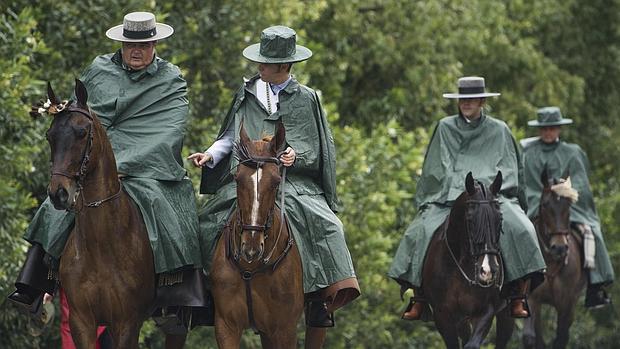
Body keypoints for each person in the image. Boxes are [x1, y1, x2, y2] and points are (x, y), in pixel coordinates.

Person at [7, 11, 211, 332]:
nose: (137, 51)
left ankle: (178, 293)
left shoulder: (171, 79)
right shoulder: (98, 70)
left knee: (169, 205)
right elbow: (78, 119)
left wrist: (123, 163)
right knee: (55, 205)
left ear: (155, 42)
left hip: (147, 168)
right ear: (121, 42)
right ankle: (35, 282)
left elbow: (169, 131)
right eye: (131, 44)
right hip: (91, 164)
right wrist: (90, 159)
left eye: (144, 44)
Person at [188, 25, 360, 328]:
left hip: (293, 182)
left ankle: (321, 297)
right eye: (260, 60)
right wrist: (211, 154)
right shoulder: (246, 93)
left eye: (266, 62)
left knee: (328, 225)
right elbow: (230, 137)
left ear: (285, 65)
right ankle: (201, 296)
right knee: (205, 222)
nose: (260, 66)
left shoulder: (307, 98)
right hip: (247, 178)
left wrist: (296, 156)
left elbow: (317, 148)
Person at [388, 76, 546, 320]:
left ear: (482, 100)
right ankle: (418, 296)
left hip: (491, 197)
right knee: (417, 231)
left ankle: (517, 294)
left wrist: (490, 190)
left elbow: (510, 167)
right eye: (462, 99)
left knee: (523, 228)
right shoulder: (444, 127)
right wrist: (452, 190)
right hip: (449, 197)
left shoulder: (500, 129)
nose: (466, 103)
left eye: (471, 99)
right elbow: (435, 167)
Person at [522, 106, 614, 308]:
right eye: (545, 128)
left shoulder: (572, 152)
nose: (548, 132)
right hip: (539, 204)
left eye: (552, 128)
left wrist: (562, 192)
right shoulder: (528, 153)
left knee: (591, 232)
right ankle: (512, 284)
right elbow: (526, 184)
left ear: (559, 129)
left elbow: (580, 182)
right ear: (539, 130)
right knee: (516, 231)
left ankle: (595, 285)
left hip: (567, 205)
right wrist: (543, 198)